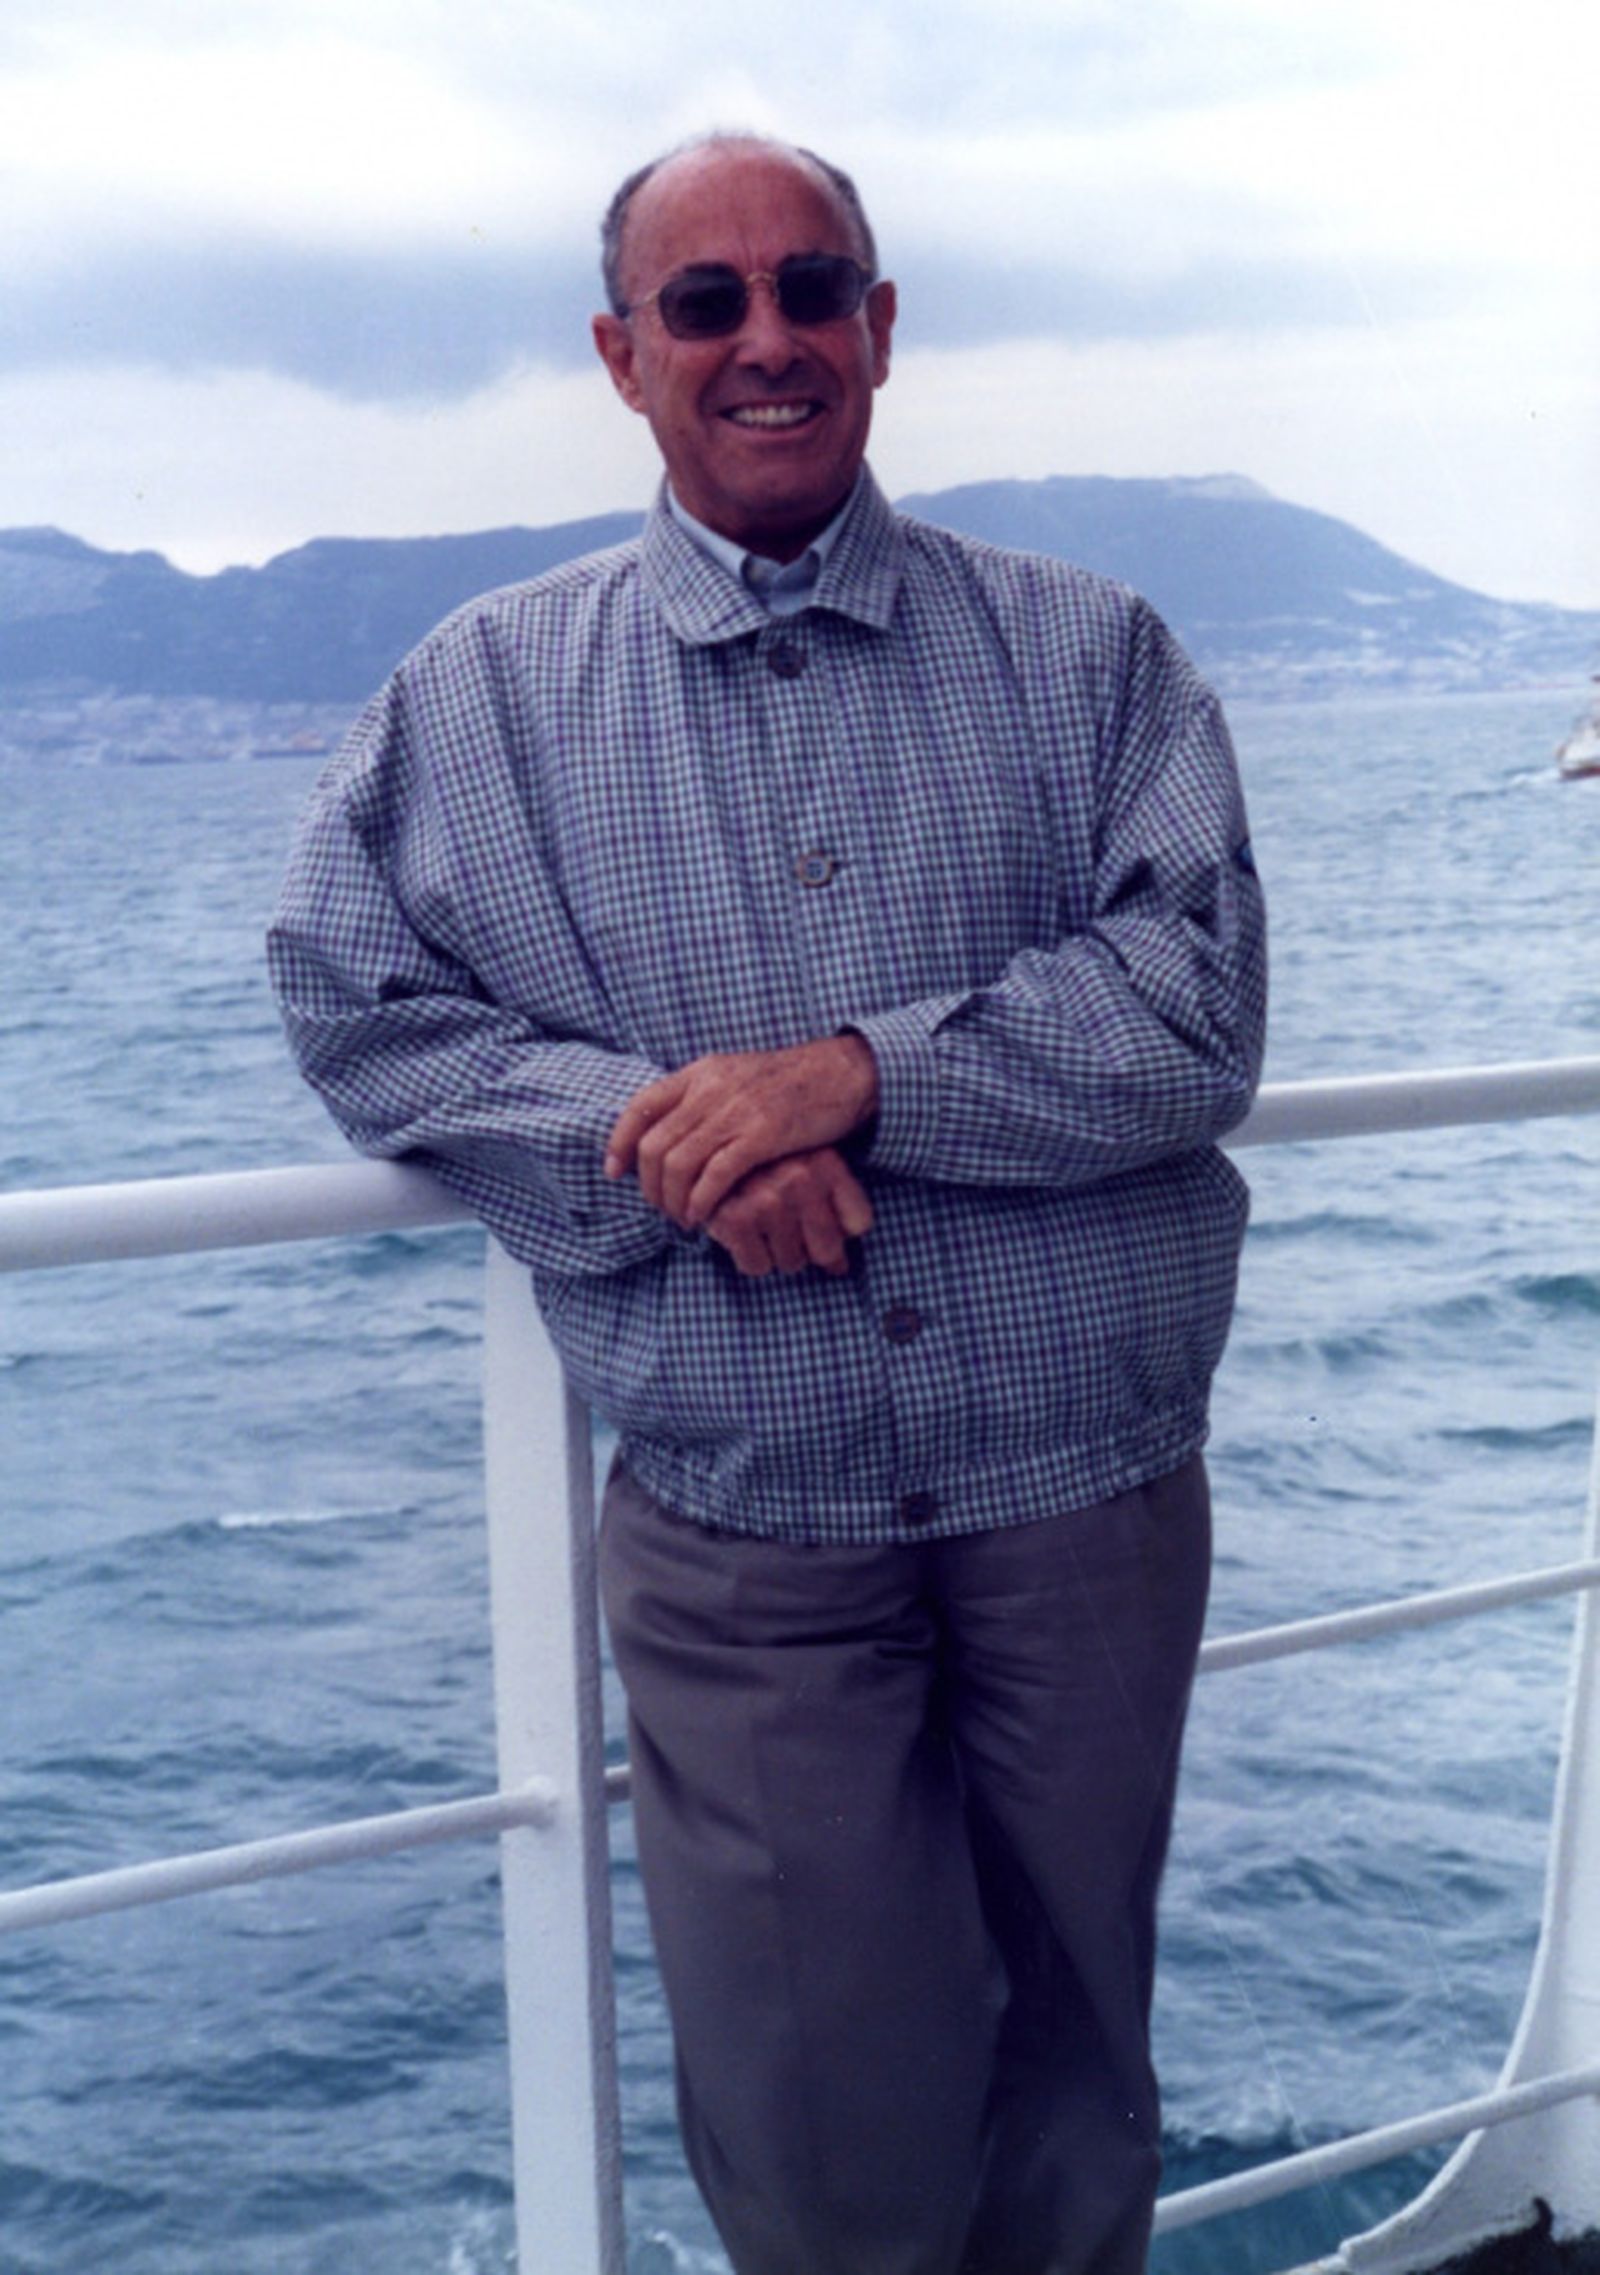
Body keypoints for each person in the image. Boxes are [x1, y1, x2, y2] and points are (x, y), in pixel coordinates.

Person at [269, 130, 1266, 2275]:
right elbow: (354, 997)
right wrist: (660, 1135)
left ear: (880, 329)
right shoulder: (479, 697)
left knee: (1084, 2093)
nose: (767, 339)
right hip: (748, 1542)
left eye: (811, 288)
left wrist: (856, 1081)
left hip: (1083, 1502)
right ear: (624, 357)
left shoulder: (1094, 655)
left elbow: (1191, 1004)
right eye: (704, 304)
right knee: (824, 2149)